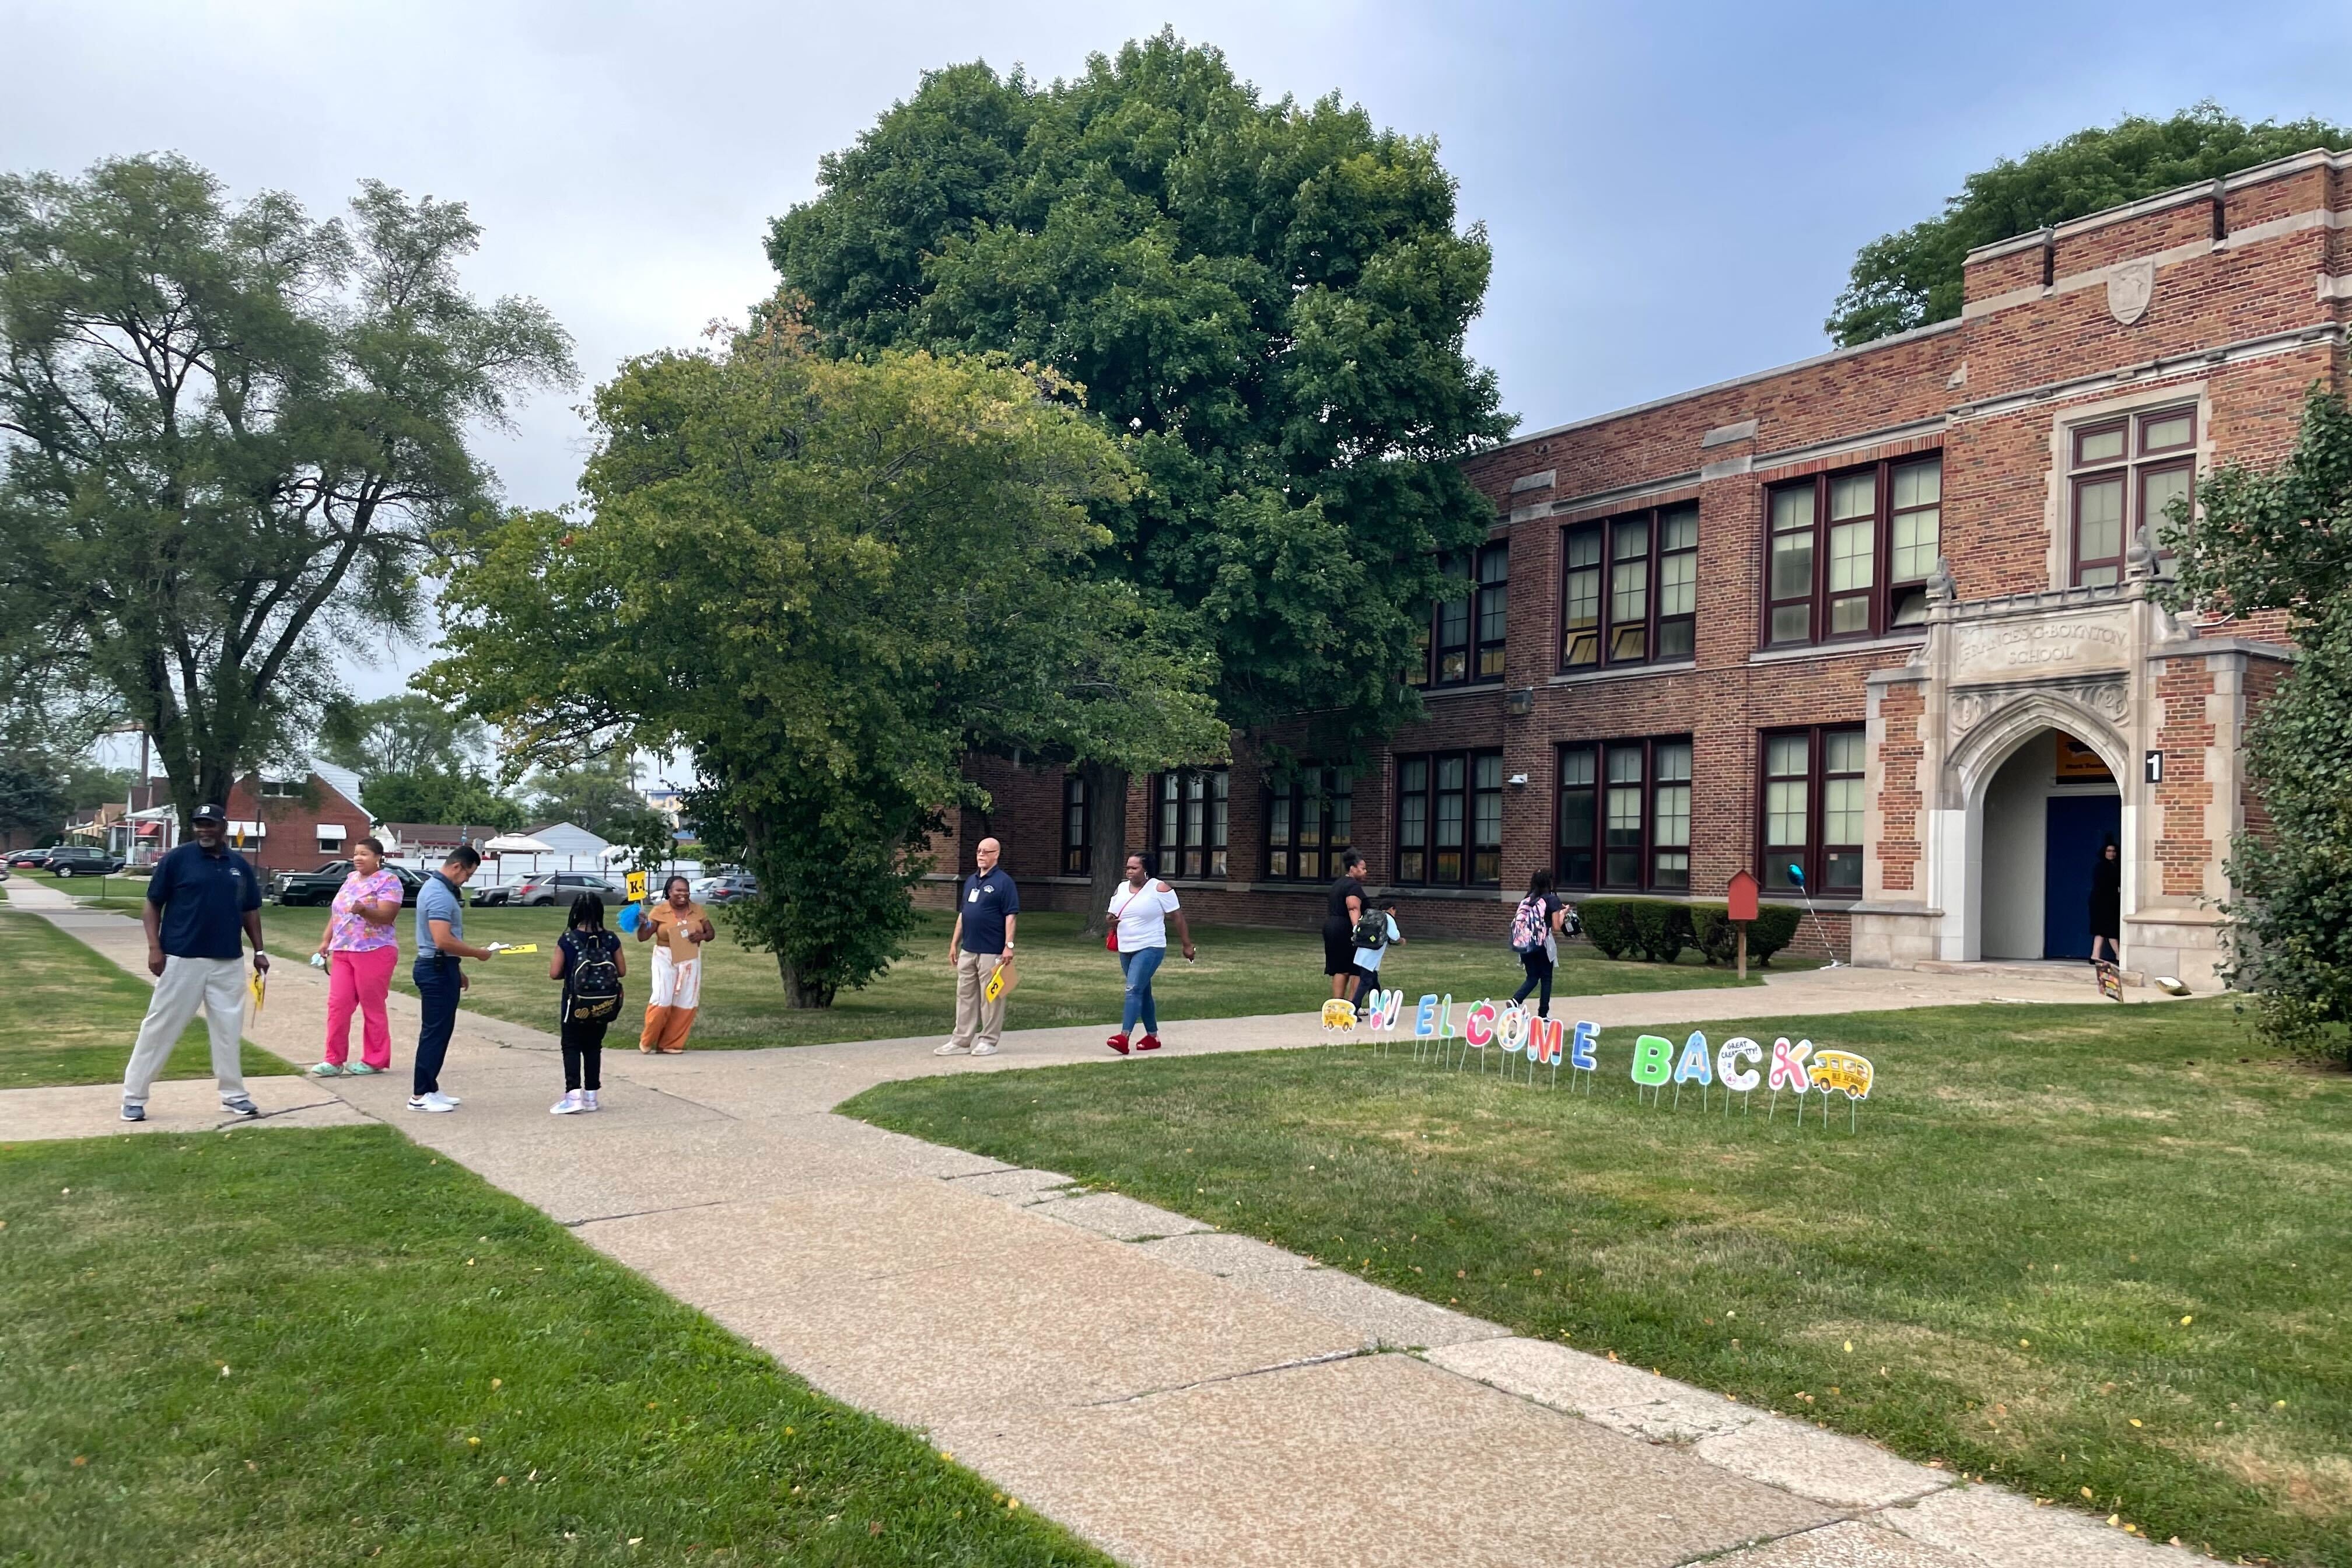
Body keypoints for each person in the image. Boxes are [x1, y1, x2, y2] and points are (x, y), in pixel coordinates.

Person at [121, 803, 268, 1122]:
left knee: (228, 1032)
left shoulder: (239, 866)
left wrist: (258, 950)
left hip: (227, 959)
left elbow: (250, 910)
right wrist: (154, 948)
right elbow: (152, 905)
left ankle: (233, 1095)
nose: (204, 830)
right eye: (199, 825)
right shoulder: (177, 860)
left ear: (223, 828)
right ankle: (134, 1096)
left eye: (210, 825)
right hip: (181, 958)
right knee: (159, 1028)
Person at [307, 836, 401, 1077]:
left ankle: (375, 1060)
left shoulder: (389, 881)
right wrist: (326, 940)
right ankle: (333, 1060)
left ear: (378, 857)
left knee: (372, 1007)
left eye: (364, 854)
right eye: (356, 853)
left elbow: (386, 916)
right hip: (343, 951)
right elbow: (338, 913)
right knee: (338, 1005)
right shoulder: (350, 879)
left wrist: (365, 910)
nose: (358, 858)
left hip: (374, 951)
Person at [411, 845, 494, 1114]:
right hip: (434, 969)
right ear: (457, 866)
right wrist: (477, 954)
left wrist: (456, 969)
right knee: (435, 1032)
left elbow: (442, 946)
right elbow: (442, 940)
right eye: (468, 874)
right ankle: (420, 1094)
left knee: (441, 1031)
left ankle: (431, 1087)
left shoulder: (439, 890)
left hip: (441, 966)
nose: (467, 880)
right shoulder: (438, 894)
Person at [935, 835, 1019, 1057]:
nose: (981, 855)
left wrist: (1008, 946)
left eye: (986, 852)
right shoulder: (972, 881)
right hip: (969, 948)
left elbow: (1011, 916)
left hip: (992, 950)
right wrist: (954, 943)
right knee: (965, 995)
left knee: (991, 997)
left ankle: (989, 1040)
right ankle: (961, 1040)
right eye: (979, 851)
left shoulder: (1004, 882)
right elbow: (964, 914)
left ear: (996, 855)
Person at [1105, 852, 1194, 1055]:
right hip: (1126, 947)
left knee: (1133, 989)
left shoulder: (1160, 888)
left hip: (1150, 947)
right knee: (1143, 991)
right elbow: (1111, 915)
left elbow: (1178, 917)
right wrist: (1109, 921)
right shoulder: (1121, 888)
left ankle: (1123, 1036)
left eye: (1134, 868)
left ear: (1145, 870)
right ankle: (1152, 1037)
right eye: (1128, 867)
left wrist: (1187, 945)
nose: (1129, 871)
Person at [550, 892, 626, 1114]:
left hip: (575, 1003)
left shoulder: (568, 940)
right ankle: (591, 1096)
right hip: (603, 1003)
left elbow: (554, 973)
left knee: (572, 1045)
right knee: (594, 1046)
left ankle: (573, 1095)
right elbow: (621, 971)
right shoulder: (611, 939)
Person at [636, 874, 714, 1054]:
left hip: (690, 956)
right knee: (662, 998)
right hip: (665, 955)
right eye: (679, 890)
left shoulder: (697, 910)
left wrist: (701, 936)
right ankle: (648, 1040)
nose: (683, 894)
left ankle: (669, 1044)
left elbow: (711, 933)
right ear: (669, 891)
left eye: (686, 890)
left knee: (687, 1000)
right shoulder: (659, 911)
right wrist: (643, 923)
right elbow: (643, 937)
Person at [1510, 867, 1570, 1019]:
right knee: (1546, 977)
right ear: (1549, 882)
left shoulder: (1528, 898)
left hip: (1525, 943)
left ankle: (1516, 1000)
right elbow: (1556, 926)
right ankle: (1543, 1014)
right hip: (1543, 943)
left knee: (1532, 976)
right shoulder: (1552, 899)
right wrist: (1563, 913)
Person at [1322, 849, 1368, 1000]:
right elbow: (1353, 908)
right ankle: (1352, 1005)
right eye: (1362, 868)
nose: (1365, 871)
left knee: (1340, 969)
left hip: (1331, 926)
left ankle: (1337, 1004)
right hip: (1346, 929)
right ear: (1353, 868)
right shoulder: (1353, 886)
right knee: (1356, 969)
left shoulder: (1338, 884)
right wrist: (1358, 929)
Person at [1348, 900, 1404, 1008]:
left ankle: (1379, 1007)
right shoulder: (1388, 918)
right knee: (1366, 981)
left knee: (1373, 982)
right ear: (1392, 909)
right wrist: (1401, 939)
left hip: (1361, 953)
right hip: (1372, 956)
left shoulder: (1371, 916)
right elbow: (1395, 936)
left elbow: (1356, 929)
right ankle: (1354, 1009)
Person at [2090, 836, 2122, 966]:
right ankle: (2119, 956)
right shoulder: (2102, 867)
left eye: (2114, 851)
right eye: (2109, 851)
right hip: (2102, 902)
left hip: (2109, 901)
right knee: (2109, 930)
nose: (2111, 853)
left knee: (2102, 930)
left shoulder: (2115, 866)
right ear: (2104, 852)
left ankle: (2095, 956)